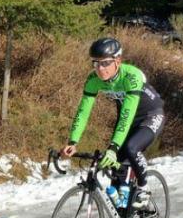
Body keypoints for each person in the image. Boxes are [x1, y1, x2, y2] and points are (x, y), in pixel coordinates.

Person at [61, 37, 165, 208]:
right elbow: (83, 111)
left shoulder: (131, 76)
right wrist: (73, 141)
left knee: (131, 148)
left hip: (150, 115)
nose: (100, 69)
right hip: (126, 121)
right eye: (95, 63)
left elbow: (127, 114)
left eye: (105, 63)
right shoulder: (93, 80)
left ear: (118, 61)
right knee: (116, 173)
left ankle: (143, 187)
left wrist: (114, 146)